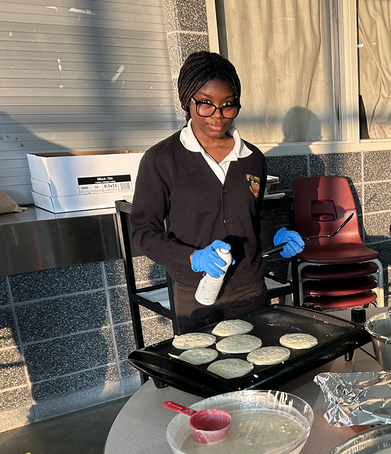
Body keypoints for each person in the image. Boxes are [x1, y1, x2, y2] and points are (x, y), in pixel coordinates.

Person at [130, 51, 304, 332]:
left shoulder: (251, 158)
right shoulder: (161, 160)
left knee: (257, 369)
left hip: (250, 289)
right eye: (206, 104)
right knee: (202, 371)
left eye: (227, 105)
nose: (218, 116)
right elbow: (143, 231)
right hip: (197, 293)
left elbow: (249, 219)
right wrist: (192, 258)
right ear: (187, 100)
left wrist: (275, 234)